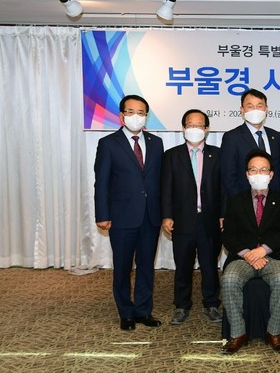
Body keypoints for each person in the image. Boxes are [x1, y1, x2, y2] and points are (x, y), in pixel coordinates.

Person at [94, 94, 164, 331]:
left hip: (150, 216)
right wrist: (102, 214)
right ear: (121, 116)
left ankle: (143, 311)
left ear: (146, 116)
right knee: (123, 267)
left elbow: (159, 180)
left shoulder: (156, 142)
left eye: (141, 112)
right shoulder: (108, 143)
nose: (136, 116)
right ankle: (125, 312)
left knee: (146, 266)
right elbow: (102, 182)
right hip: (122, 216)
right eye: (131, 112)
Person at [220, 150, 280, 354]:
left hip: (274, 256)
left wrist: (263, 250)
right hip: (242, 258)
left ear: (271, 174)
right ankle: (238, 333)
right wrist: (248, 254)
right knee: (229, 279)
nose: (258, 174)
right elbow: (228, 235)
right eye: (253, 170)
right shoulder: (235, 201)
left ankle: (274, 332)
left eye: (263, 170)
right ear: (247, 174)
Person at [161, 109, 224, 325]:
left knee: (210, 265)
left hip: (210, 220)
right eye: (190, 125)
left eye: (199, 125)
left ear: (206, 129)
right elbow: (166, 188)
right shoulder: (172, 155)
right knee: (183, 265)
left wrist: (223, 214)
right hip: (182, 220)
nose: (194, 129)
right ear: (183, 128)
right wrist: (166, 216)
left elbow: (223, 188)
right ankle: (181, 306)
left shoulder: (218, 154)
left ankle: (212, 304)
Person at [220, 89, 280, 199]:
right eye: (250, 106)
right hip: (244, 200)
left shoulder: (276, 136)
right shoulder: (232, 137)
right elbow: (228, 176)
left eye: (259, 106)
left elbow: (279, 171)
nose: (255, 110)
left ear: (266, 109)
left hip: (274, 200)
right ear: (242, 110)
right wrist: (241, 202)